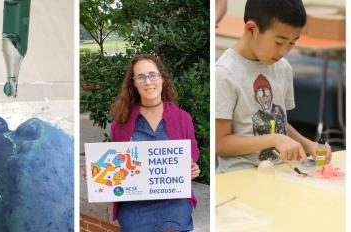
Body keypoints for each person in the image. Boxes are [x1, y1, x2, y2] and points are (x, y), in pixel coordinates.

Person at [215, 0, 332, 173]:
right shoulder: (224, 73)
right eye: (279, 42)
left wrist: (308, 145)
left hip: (281, 172)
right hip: (240, 177)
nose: (284, 51)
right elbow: (220, 143)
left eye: (292, 43)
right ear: (251, 29)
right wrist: (273, 139)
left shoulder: (283, 68)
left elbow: (280, 123)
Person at [110, 54, 200, 231]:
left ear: (162, 78)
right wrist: (98, 173)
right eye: (141, 77)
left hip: (174, 199)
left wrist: (192, 167)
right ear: (134, 83)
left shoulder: (182, 118)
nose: (148, 82)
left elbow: (191, 154)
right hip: (135, 203)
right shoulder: (120, 124)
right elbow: (116, 164)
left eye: (152, 75)